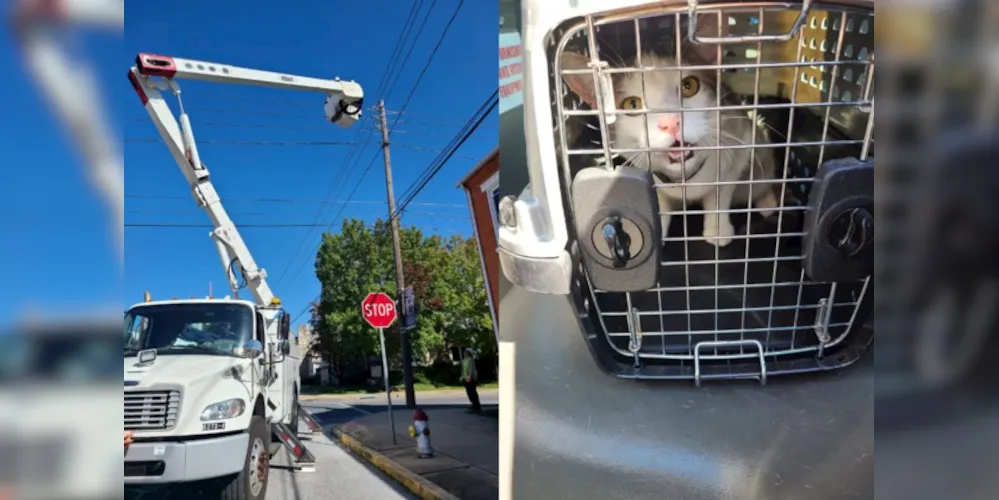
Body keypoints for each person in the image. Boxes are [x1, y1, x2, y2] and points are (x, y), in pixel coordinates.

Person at [461, 347, 481, 412]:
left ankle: (476, 405)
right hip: (465, 377)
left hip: (470, 378)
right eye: (464, 352)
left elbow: (471, 369)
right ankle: (473, 404)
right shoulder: (464, 360)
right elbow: (463, 369)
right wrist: (462, 376)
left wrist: (469, 376)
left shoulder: (470, 360)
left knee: (472, 391)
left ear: (469, 353)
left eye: (466, 352)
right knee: (469, 391)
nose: (464, 353)